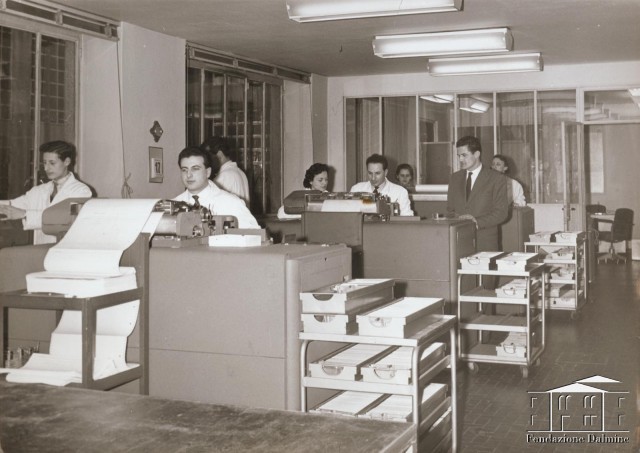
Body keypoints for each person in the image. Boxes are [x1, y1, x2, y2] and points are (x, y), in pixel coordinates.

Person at [0, 140, 92, 244]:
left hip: (67, 248)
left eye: (52, 163)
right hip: (41, 248)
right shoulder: (38, 191)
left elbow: (67, 219)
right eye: (44, 162)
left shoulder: (81, 191)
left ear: (67, 162)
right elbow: (12, 205)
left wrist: (25, 215)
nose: (46, 168)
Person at [447, 136, 509, 253]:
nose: (460, 159)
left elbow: (501, 213)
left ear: (476, 154)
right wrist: (459, 222)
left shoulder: (496, 178)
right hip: (459, 242)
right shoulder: (454, 178)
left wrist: (476, 222)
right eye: (459, 156)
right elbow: (450, 210)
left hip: (485, 243)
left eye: (464, 155)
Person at [173, 147, 259, 229]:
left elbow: (254, 235)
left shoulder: (231, 203)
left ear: (208, 172)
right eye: (184, 170)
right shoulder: (174, 205)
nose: (188, 175)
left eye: (195, 169)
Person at [200, 136, 250, 206]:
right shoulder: (240, 172)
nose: (207, 161)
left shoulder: (223, 176)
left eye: (209, 157)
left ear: (219, 154)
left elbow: (211, 205)